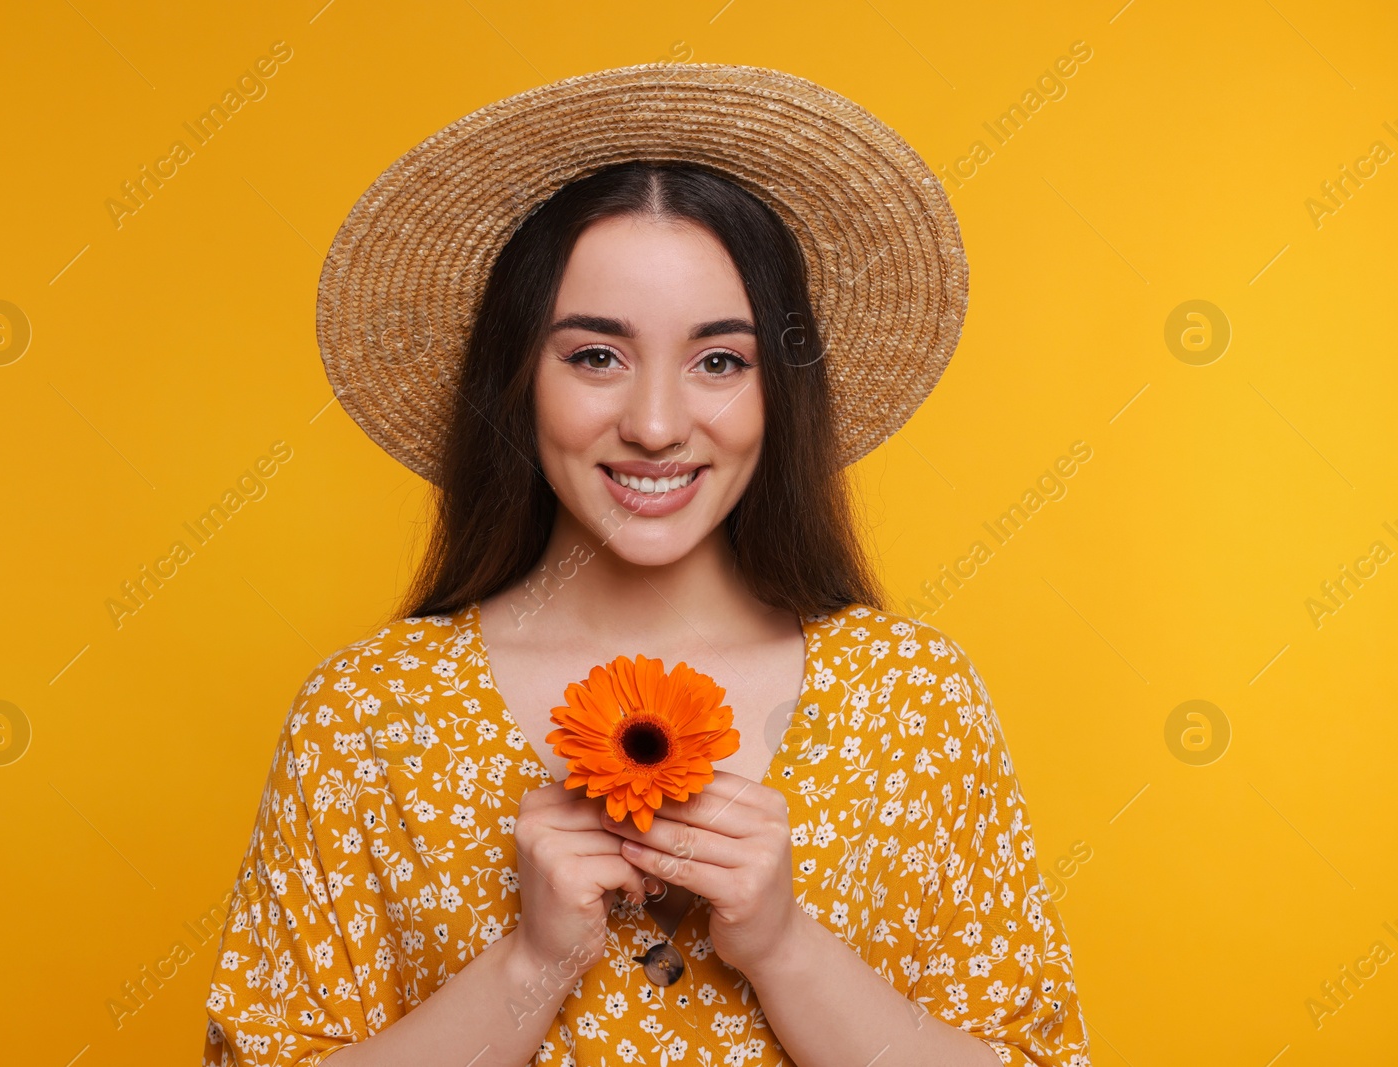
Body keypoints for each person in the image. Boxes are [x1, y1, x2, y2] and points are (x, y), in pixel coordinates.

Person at [203, 64, 1091, 1066]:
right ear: (520, 378)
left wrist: (784, 948)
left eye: (720, 360)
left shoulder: (911, 700)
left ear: (778, 392)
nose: (658, 425)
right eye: (595, 356)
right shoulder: (368, 715)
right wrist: (531, 962)